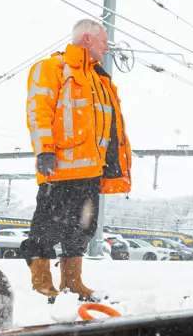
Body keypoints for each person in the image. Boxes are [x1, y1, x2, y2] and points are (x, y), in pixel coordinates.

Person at [22, 18, 133, 301]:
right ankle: (42, 284)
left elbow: (111, 128)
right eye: (104, 42)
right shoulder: (52, 68)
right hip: (60, 168)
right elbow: (39, 109)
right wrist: (44, 149)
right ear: (87, 39)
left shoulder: (99, 79)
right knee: (47, 227)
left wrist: (112, 167)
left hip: (91, 172)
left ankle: (73, 283)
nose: (107, 48)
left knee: (82, 229)